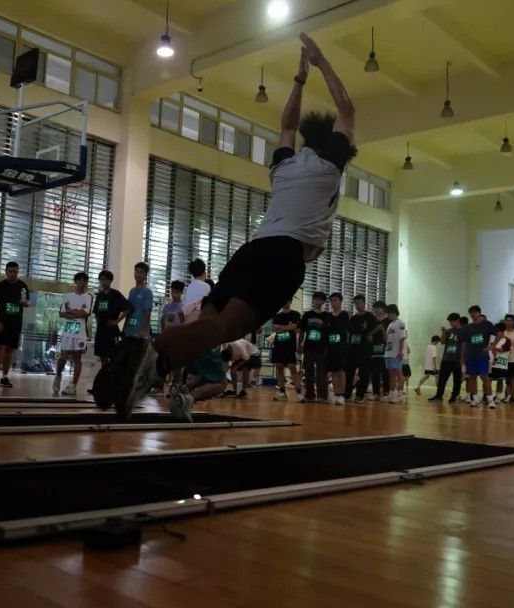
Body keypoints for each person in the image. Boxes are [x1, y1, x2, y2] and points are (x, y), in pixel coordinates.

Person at [106, 33, 357, 418]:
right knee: (226, 328)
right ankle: (150, 354)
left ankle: (147, 366)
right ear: (336, 147)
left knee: (210, 325)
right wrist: (321, 60)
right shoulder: (329, 166)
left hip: (251, 250)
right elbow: (347, 108)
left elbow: (287, 125)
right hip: (284, 256)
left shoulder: (283, 167)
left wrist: (301, 77)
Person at [0, 261, 31, 388]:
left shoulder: (22, 286)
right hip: (2, 323)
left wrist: (25, 303)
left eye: (15, 271)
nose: (13, 274)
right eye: (11, 271)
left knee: (9, 350)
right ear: (6, 272)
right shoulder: (0, 286)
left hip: (16, 323)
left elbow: (27, 302)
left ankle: (5, 377)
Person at [53, 272, 94, 396]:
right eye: (79, 280)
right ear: (75, 282)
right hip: (68, 330)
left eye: (84, 281)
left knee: (77, 358)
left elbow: (85, 313)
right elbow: (62, 313)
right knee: (63, 357)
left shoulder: (89, 297)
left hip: (80, 332)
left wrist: (71, 311)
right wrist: (76, 312)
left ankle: (73, 385)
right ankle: (58, 376)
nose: (82, 283)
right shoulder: (67, 296)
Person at [92, 270, 130, 370]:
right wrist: (98, 322)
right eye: (101, 279)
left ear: (110, 281)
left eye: (106, 280)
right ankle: (104, 376)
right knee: (102, 357)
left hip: (112, 330)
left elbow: (127, 309)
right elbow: (95, 311)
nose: (103, 282)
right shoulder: (99, 295)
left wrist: (117, 321)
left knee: (113, 356)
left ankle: (113, 377)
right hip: (101, 330)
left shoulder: (115, 294)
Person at [461, 305, 496, 408]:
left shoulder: (487, 324)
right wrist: (462, 359)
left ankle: (490, 400)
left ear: (480, 313)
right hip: (470, 357)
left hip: (482, 356)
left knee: (484, 377)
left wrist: (491, 347)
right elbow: (464, 344)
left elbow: (499, 335)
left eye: (475, 312)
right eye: (471, 313)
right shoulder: (467, 327)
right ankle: (475, 399)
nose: (474, 315)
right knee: (472, 378)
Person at [345, 295, 377, 403]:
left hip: (365, 349)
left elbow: (378, 326)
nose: (357, 305)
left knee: (364, 373)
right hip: (353, 349)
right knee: (349, 372)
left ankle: (360, 395)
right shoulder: (353, 318)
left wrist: (370, 334)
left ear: (364, 303)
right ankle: (347, 395)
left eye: (359, 303)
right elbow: (349, 332)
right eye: (356, 303)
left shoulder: (370, 316)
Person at [270, 300, 303, 402]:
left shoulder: (295, 314)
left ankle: (299, 393)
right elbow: (274, 329)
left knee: (293, 367)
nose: (285, 302)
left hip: (290, 346)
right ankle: (282, 392)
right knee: (279, 367)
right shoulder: (277, 316)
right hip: (279, 345)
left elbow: (296, 327)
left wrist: (281, 327)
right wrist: (289, 327)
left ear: (290, 301)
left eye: (287, 300)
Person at [299, 292, 330, 402]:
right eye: (316, 299)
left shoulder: (327, 316)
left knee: (322, 373)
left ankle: (322, 396)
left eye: (320, 300)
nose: (318, 302)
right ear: (313, 300)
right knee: (308, 372)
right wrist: (299, 345)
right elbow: (302, 331)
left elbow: (329, 333)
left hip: (322, 348)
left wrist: (328, 348)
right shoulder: (307, 315)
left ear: (324, 302)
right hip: (308, 347)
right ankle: (309, 395)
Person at [430, 313, 463, 404]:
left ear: (458, 320)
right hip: (446, 358)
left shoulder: (463, 331)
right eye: (450, 322)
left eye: (452, 321)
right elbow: (442, 342)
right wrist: (444, 332)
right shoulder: (449, 331)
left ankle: (454, 397)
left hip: (457, 359)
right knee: (442, 379)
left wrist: (462, 359)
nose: (451, 323)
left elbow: (464, 345)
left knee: (456, 380)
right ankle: (438, 396)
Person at [325, 292, 350, 405]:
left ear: (340, 302)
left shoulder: (344, 314)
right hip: (331, 347)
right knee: (334, 371)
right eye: (332, 301)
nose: (333, 303)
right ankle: (336, 393)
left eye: (336, 300)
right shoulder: (328, 316)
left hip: (341, 347)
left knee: (341, 371)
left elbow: (345, 330)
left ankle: (342, 395)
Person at [123, 262, 154, 340]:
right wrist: (124, 329)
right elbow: (128, 311)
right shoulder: (132, 291)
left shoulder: (147, 292)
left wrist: (143, 331)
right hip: (128, 331)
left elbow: (148, 313)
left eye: (141, 272)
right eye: (136, 271)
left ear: (145, 275)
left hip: (139, 334)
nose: (138, 274)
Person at [383, 304, 407, 403]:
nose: (387, 315)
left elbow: (402, 337)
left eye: (388, 313)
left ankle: (400, 395)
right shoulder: (390, 324)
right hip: (388, 352)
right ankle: (391, 394)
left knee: (398, 372)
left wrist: (401, 351)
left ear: (393, 312)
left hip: (396, 353)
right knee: (391, 374)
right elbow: (387, 339)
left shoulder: (400, 323)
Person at [369, 301, 390, 400]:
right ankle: (376, 393)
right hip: (374, 348)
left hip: (386, 348)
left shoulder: (388, 320)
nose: (376, 309)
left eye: (378, 307)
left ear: (384, 309)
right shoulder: (372, 320)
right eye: (375, 308)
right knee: (374, 371)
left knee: (385, 371)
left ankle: (386, 392)